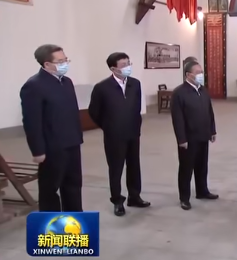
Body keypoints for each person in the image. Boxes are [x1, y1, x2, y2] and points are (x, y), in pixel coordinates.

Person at [20, 44, 83, 212]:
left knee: (73, 185)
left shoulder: (67, 82)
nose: (65, 64)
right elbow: (32, 121)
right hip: (52, 147)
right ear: (47, 64)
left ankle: (74, 220)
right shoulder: (34, 86)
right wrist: (37, 151)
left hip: (72, 142)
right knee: (50, 189)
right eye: (60, 61)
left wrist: (78, 137)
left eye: (66, 59)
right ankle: (52, 225)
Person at [88, 52, 150, 216]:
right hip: (114, 136)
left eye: (128, 63)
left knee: (134, 166)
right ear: (113, 68)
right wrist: (108, 126)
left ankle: (134, 196)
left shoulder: (135, 84)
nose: (127, 67)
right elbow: (94, 112)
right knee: (116, 168)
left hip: (133, 132)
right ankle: (117, 200)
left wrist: (136, 124)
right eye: (123, 65)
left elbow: (136, 107)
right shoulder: (102, 87)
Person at [170, 60, 218, 210]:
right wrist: (181, 139)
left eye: (201, 72)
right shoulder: (179, 93)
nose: (201, 75)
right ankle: (184, 198)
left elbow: (209, 112)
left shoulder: (203, 90)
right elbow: (177, 118)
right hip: (188, 138)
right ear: (188, 75)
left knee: (202, 166)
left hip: (203, 134)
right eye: (197, 73)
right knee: (186, 168)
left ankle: (202, 191)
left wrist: (212, 130)